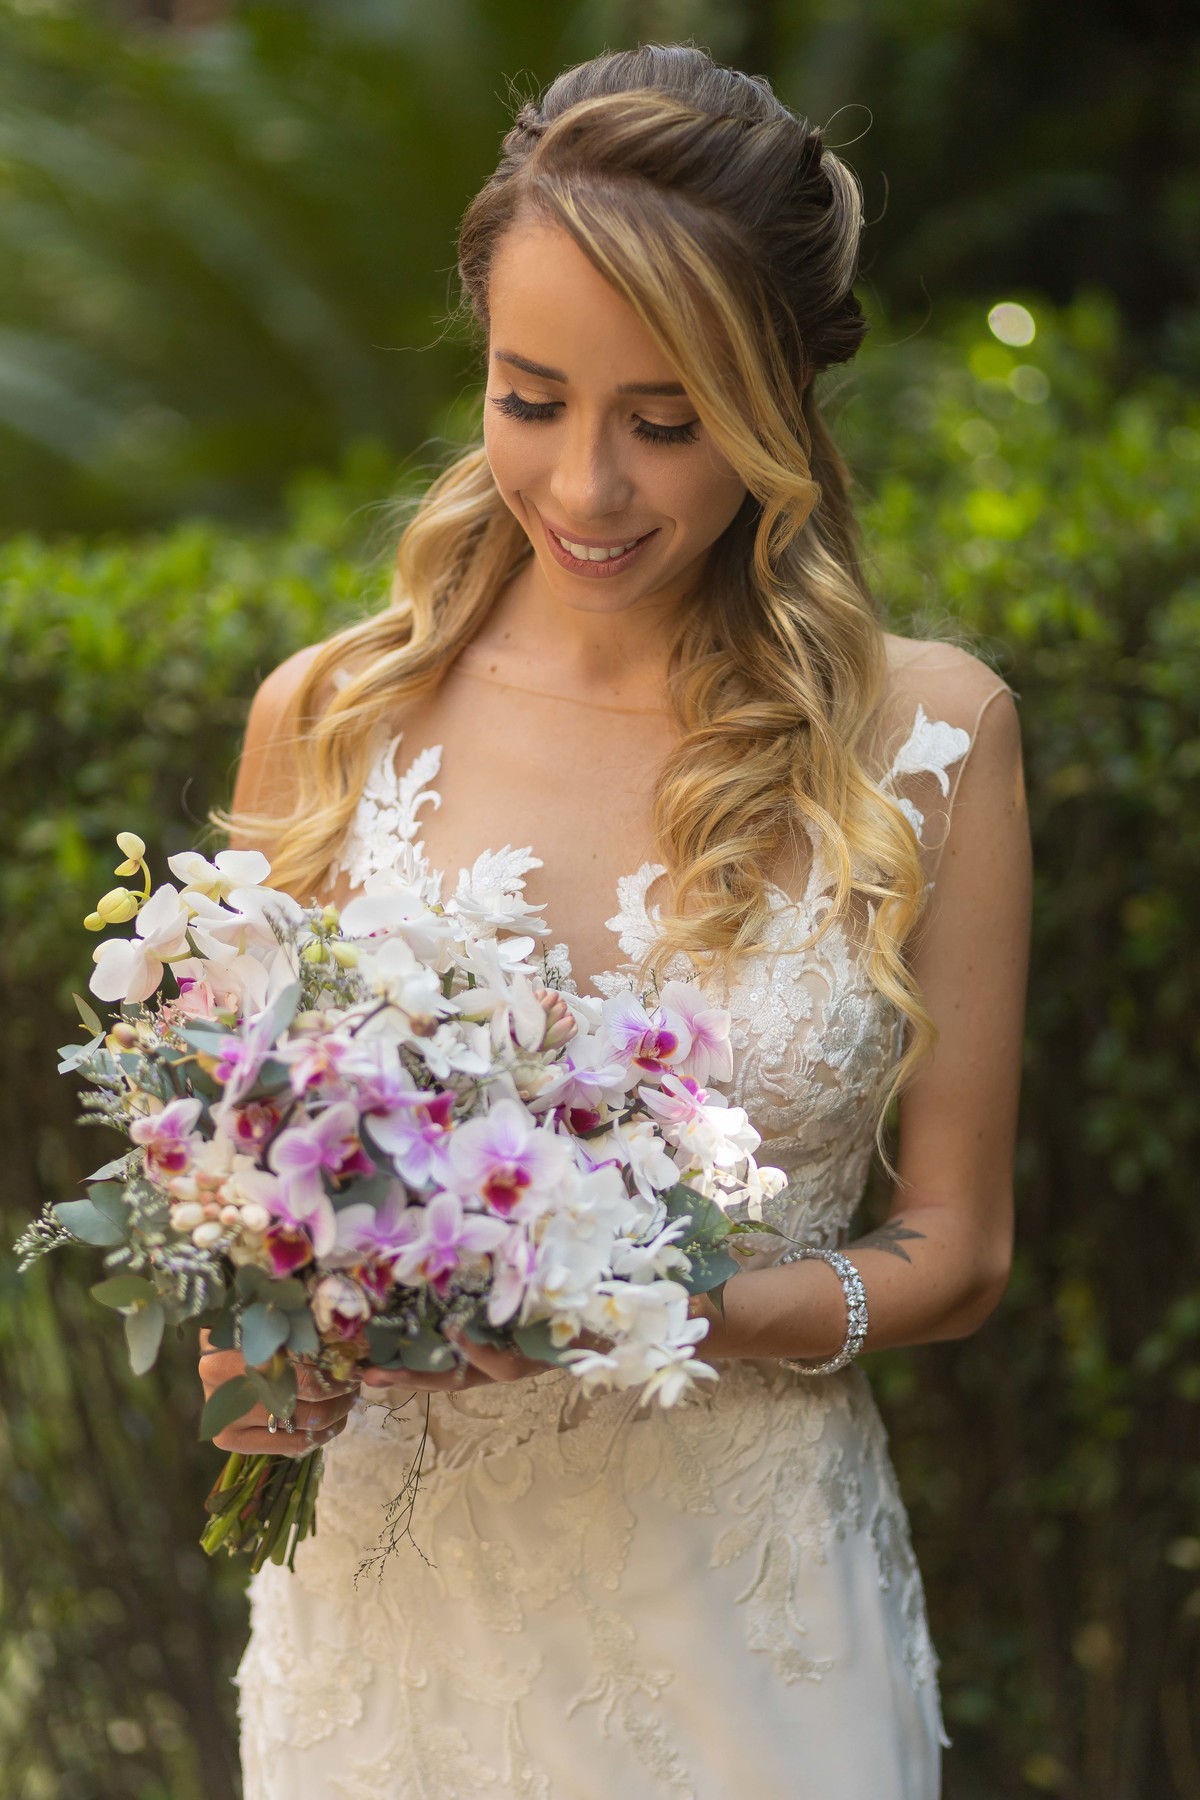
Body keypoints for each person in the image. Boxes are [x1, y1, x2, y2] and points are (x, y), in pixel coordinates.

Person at [199, 44, 1031, 1800]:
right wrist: (264, 1368)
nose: (587, 488)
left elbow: (957, 1251)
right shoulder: (330, 722)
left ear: (782, 401)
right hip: (390, 1653)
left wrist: (657, 1310)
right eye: (531, 398)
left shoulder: (929, 740)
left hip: (749, 1633)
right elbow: (241, 1254)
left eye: (666, 422)